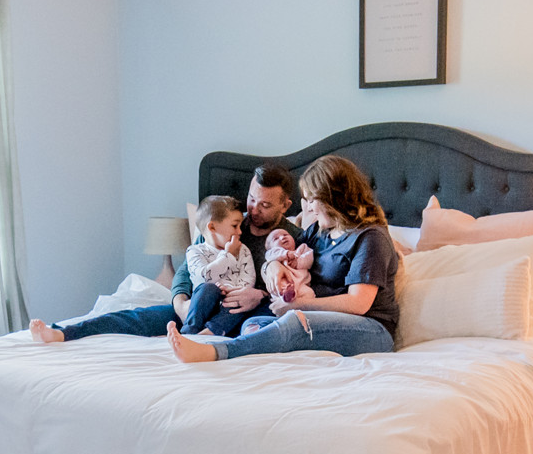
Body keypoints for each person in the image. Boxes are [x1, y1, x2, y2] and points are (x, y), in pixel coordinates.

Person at [166, 154, 400, 364]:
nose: (307, 207)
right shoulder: (319, 231)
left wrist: (299, 305)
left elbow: (358, 303)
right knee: (252, 325)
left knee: (293, 324)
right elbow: (282, 256)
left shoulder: (370, 238)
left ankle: (215, 352)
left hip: (370, 328)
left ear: (332, 199)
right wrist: (274, 266)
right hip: (315, 315)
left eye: (311, 200)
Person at [29, 163, 301, 343]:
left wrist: (261, 295)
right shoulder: (225, 221)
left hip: (241, 314)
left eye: (264, 205)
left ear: (285, 205)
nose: (253, 209)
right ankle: (63, 333)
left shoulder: (294, 238)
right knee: (135, 318)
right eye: (252, 198)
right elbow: (188, 266)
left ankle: (196, 341)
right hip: (198, 305)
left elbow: (299, 290)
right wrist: (180, 301)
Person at [179, 196, 263, 336]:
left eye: (240, 226)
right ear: (212, 227)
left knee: (242, 302)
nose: (240, 232)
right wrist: (228, 255)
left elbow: (249, 278)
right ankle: (189, 332)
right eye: (234, 226)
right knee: (208, 288)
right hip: (205, 305)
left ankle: (209, 333)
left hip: (229, 306)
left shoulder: (243, 250)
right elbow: (205, 277)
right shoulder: (195, 251)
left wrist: (232, 291)